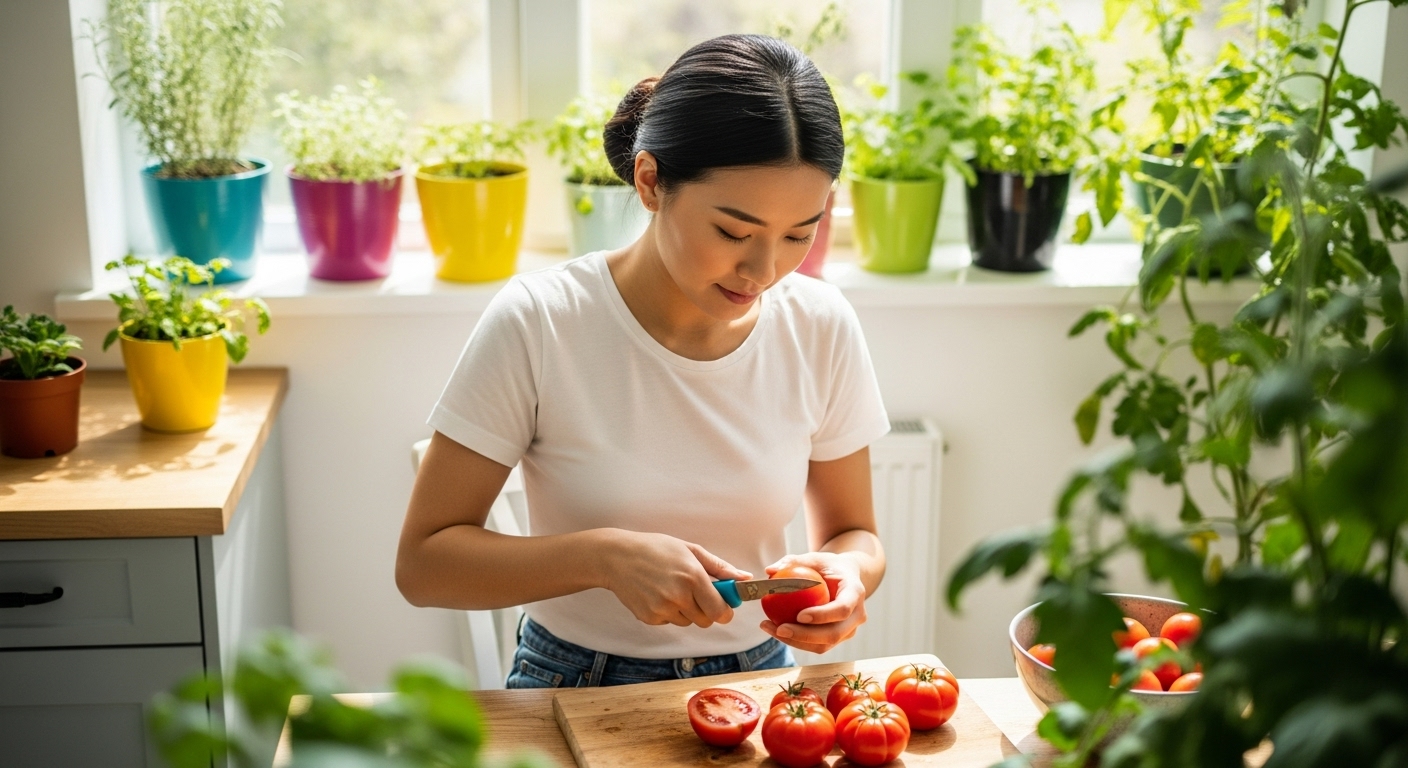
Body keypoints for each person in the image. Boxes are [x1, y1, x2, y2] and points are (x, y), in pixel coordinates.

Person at [396, 33, 889, 689]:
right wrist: (602, 557)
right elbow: (424, 566)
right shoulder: (542, 320)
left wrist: (850, 573)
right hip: (574, 677)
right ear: (651, 182)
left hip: (762, 676)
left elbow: (855, 533)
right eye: (734, 232)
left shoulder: (819, 324)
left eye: (800, 233)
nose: (763, 270)